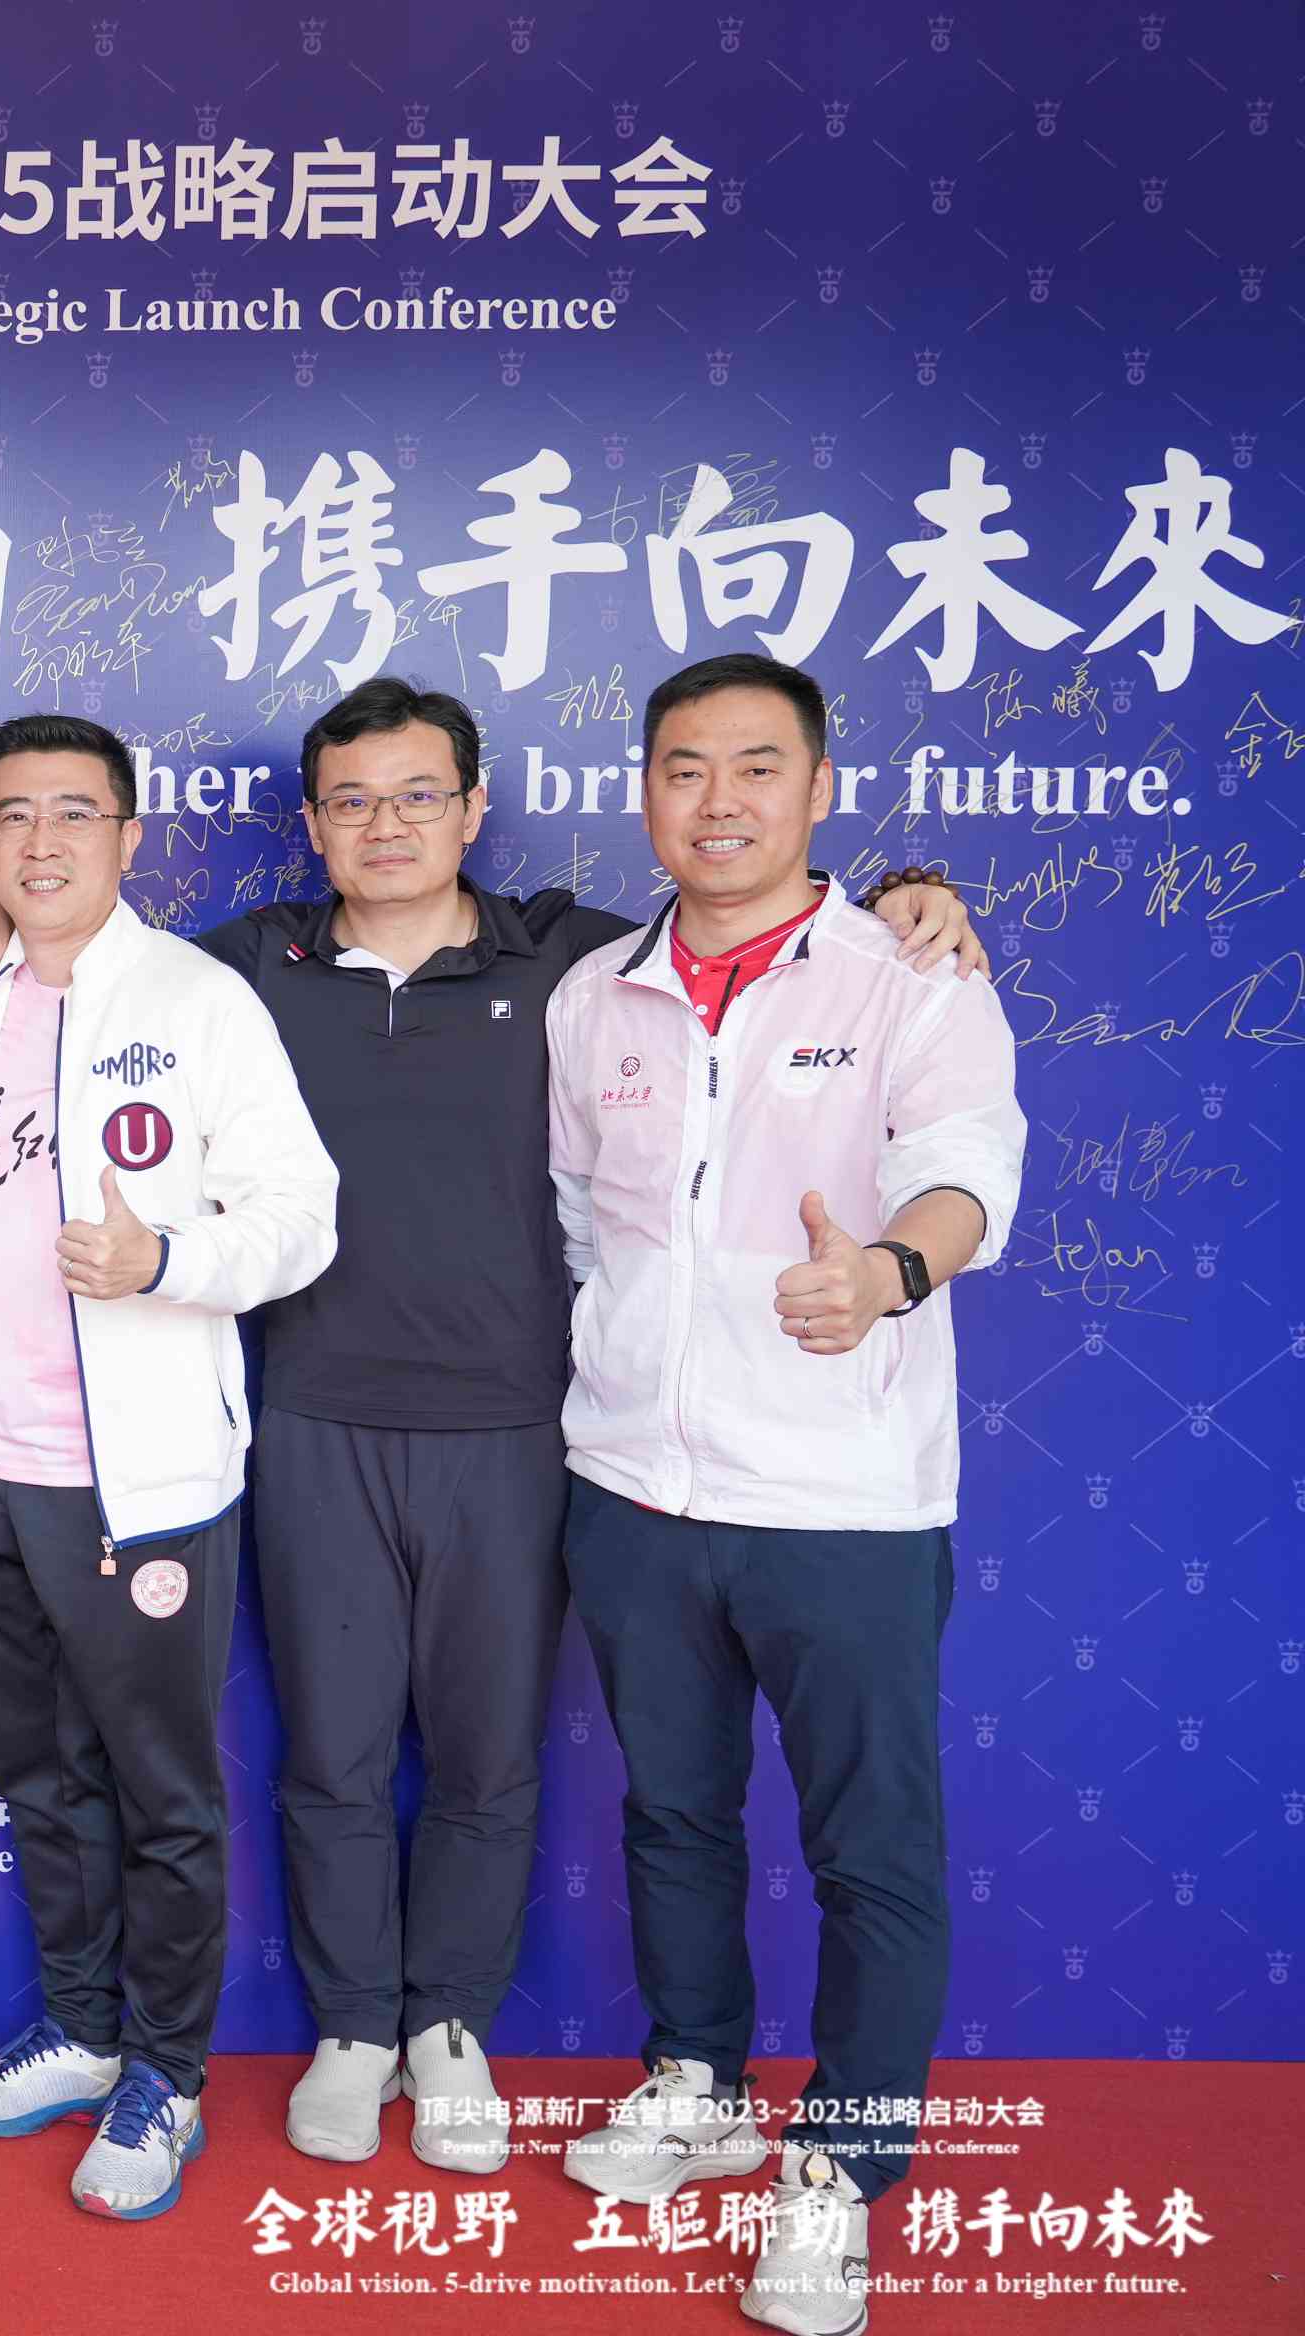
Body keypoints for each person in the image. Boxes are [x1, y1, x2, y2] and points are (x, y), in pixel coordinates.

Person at [0, 685, 982, 2183]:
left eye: (421, 795)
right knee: (335, 1754)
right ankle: (354, 2030)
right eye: (352, 800)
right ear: (312, 824)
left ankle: (450, 2031)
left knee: (488, 1759)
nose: (387, 826)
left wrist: (906, 898)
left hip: (519, 1426)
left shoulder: (575, 963)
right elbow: (85, 940)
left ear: (476, 810)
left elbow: (751, 911)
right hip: (314, 1418)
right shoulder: (253, 965)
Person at [546, 654, 1021, 2336]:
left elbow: (967, 1172)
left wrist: (888, 1273)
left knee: (868, 1850)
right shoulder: (594, 996)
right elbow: (586, 1223)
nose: (720, 801)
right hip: (633, 1486)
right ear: (645, 792)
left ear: (819, 789)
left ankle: (841, 2171)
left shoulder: (911, 975)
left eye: (759, 767)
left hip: (841, 1498)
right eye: (685, 768)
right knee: (671, 1813)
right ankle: (698, 2081)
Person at [0, 716, 341, 2222]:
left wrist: (165, 1258)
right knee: (42, 1780)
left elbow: (302, 1216)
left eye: (75, 814)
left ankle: (167, 2072)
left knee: (164, 1795)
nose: (42, 844)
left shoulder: (199, 999)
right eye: (13, 816)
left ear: (130, 834)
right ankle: (84, 2028)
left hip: (142, 1484)